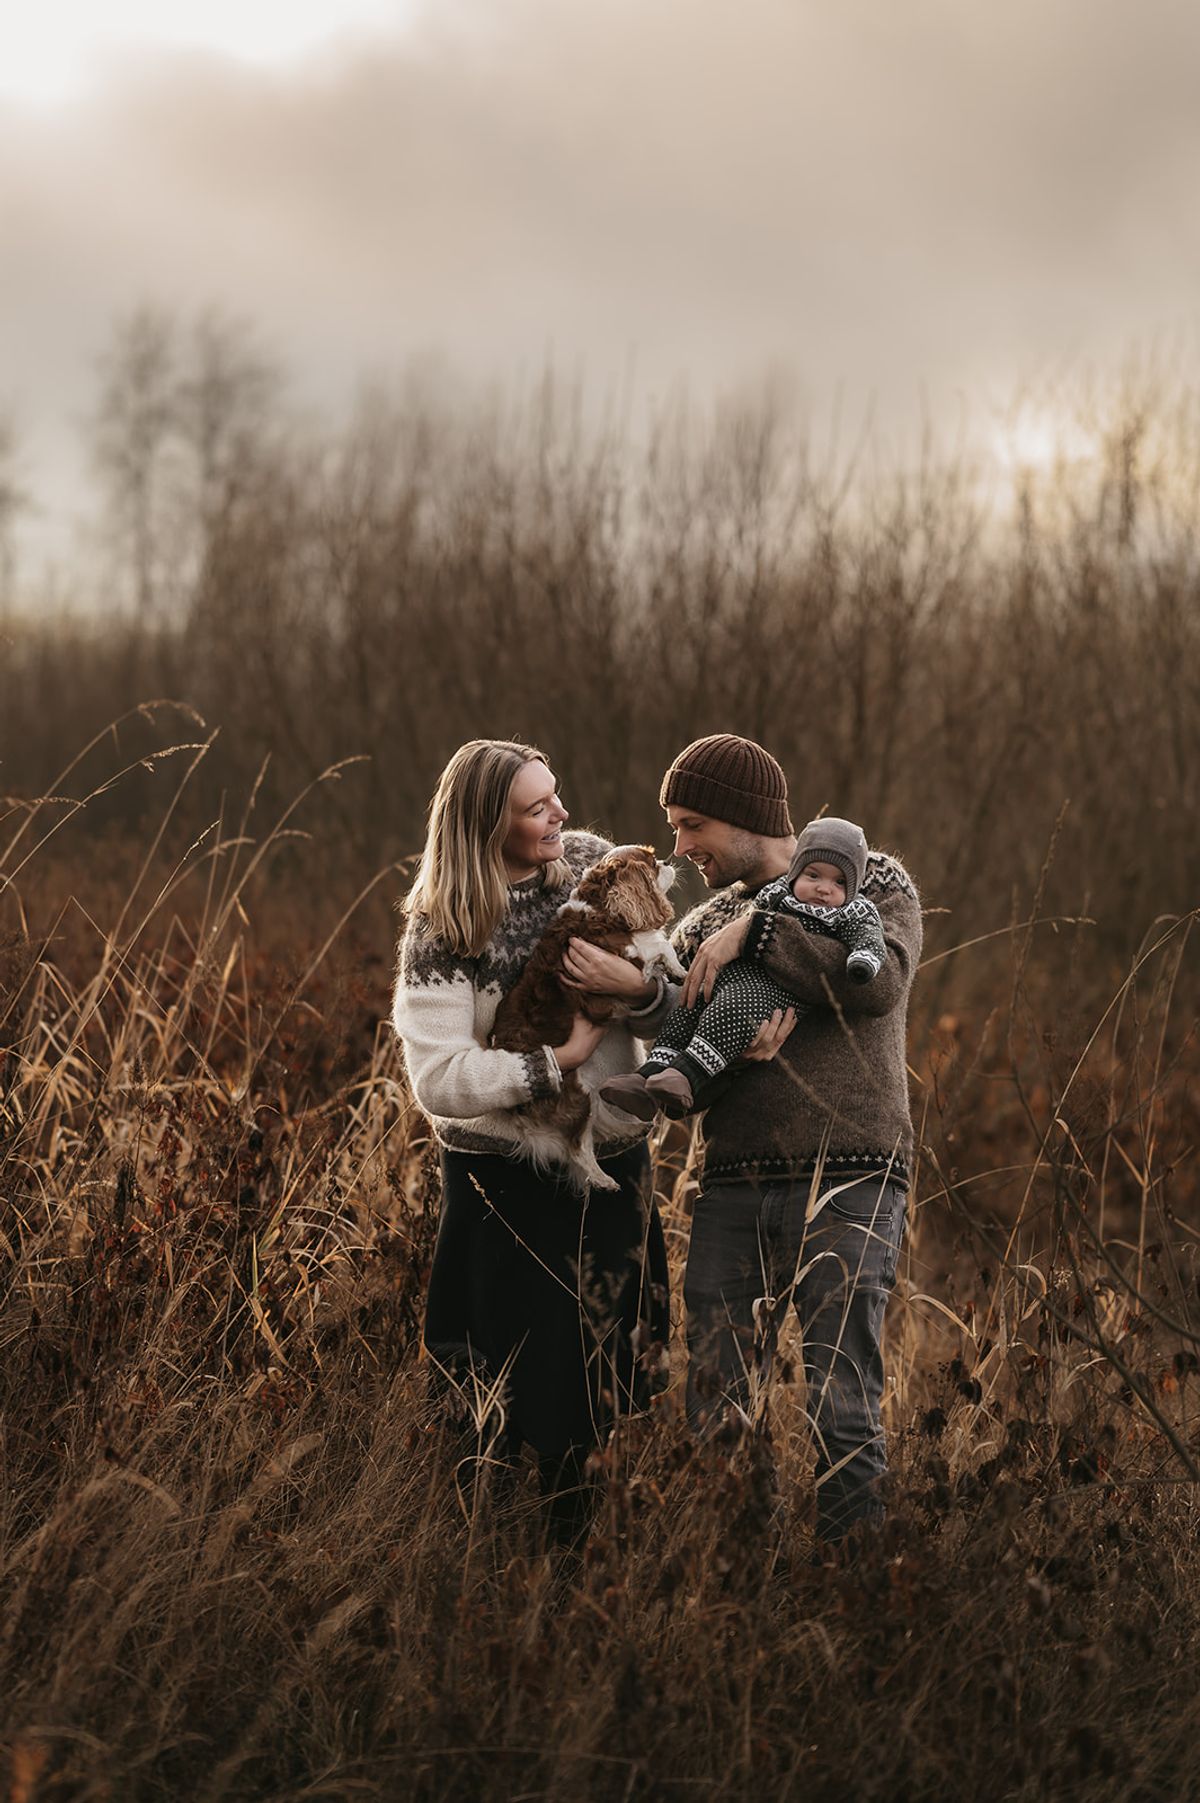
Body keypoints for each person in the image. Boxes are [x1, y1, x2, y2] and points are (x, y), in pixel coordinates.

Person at [391, 739, 670, 1536]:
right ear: (487, 823)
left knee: (602, 1384)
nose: (562, 815)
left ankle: (580, 1562)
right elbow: (440, 1077)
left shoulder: (594, 869)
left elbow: (672, 993)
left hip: (612, 1173)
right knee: (504, 1397)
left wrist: (640, 990)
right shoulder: (444, 926)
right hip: (503, 1192)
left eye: (558, 795)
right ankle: (486, 1564)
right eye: (538, 806)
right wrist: (556, 1063)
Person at [653, 733, 922, 1548]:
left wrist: (757, 934)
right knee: (718, 1409)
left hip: (851, 1177)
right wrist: (734, 1051)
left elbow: (876, 985)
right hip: (732, 1183)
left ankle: (854, 1613)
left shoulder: (868, 877)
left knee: (842, 1407)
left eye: (691, 824)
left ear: (742, 817)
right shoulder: (704, 920)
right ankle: (743, 1612)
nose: (682, 848)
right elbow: (685, 1063)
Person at [599, 816, 887, 1119]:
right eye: (813, 875)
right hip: (732, 979)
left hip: (773, 991)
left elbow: (873, 952)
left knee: (733, 1007)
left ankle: (686, 1074)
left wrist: (861, 961)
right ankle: (648, 1076)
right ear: (796, 872)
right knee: (690, 1003)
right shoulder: (777, 894)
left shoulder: (855, 909)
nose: (824, 889)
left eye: (839, 882)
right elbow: (754, 912)